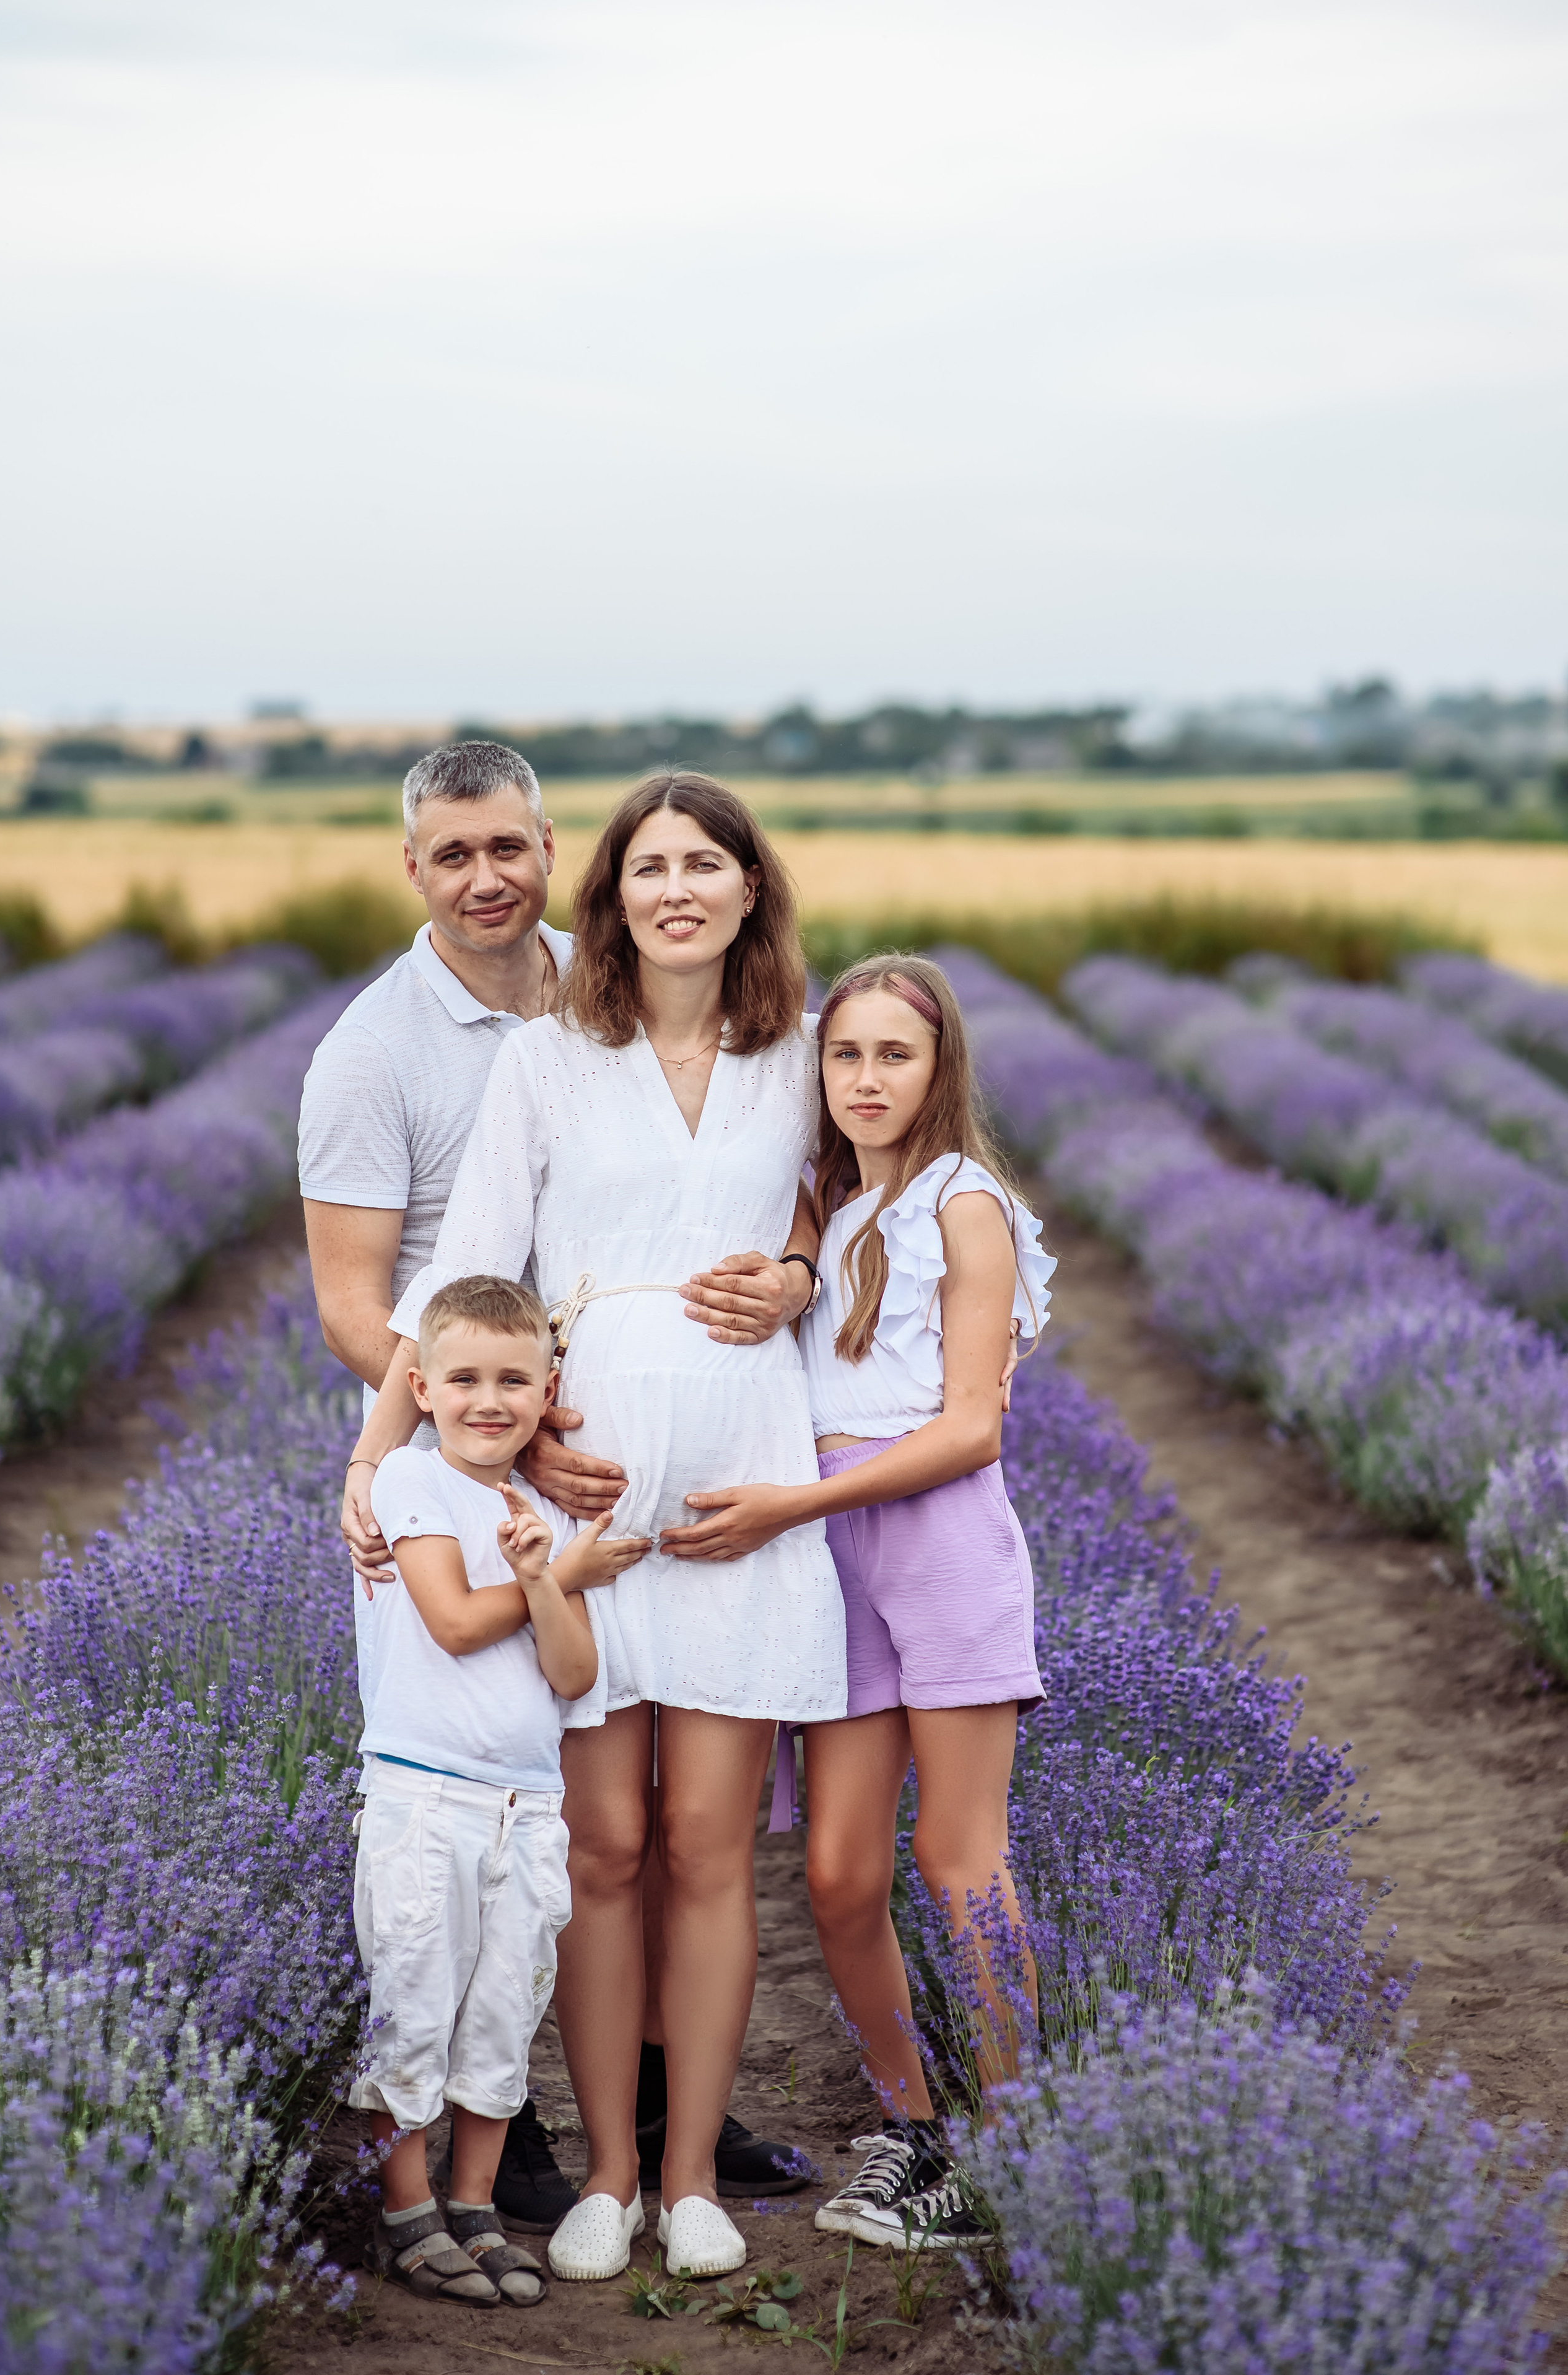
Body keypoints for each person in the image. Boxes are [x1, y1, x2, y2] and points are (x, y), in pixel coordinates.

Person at [344, 771, 848, 2283]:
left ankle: (690, 2176)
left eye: (707, 864)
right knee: (603, 1844)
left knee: (709, 1846)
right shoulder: (552, 1061)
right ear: (610, 895)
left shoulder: (802, 1053)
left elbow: (857, 1201)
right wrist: (380, 1462)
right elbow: (465, 1287)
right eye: (649, 868)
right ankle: (603, 2174)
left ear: (751, 888)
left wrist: (805, 1276)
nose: (677, 888)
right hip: (583, 1501)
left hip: (741, 1485)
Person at [661, 953, 1053, 2252]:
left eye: (895, 1055)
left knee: (957, 1859)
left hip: (931, 1543)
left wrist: (790, 1508)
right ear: (815, 1075)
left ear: (939, 1070)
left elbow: (971, 1433)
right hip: (829, 1557)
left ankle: (1013, 2148)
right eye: (845, 1056)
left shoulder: (966, 1208)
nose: (866, 1078)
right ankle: (911, 2125)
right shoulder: (821, 1208)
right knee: (834, 1876)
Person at [355, 1273, 645, 2309]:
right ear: (422, 1386)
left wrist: (540, 1571)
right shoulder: (410, 1479)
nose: (490, 1398)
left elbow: (571, 1675)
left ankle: (472, 2205)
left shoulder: (529, 1508)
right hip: (427, 1798)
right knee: (415, 2005)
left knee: (498, 2016)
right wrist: (560, 1573)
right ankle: (404, 2211)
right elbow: (452, 1622)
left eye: (513, 1379)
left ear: (547, 1387)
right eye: (465, 1377)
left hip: (529, 1806)